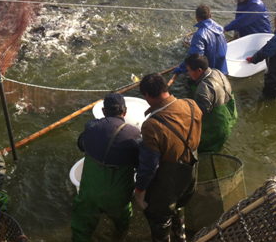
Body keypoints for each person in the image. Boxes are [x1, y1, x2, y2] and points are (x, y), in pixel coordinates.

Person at [135, 74, 202, 242]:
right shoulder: (191, 105)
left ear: (148, 95)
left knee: (158, 217)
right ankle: (181, 237)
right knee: (179, 205)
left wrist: (140, 192)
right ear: (166, 88)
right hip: (191, 175)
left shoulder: (152, 125)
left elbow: (149, 166)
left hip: (168, 184)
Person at [71, 93, 141, 241]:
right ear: (125, 111)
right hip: (119, 194)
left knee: (81, 227)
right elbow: (140, 164)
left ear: (103, 111)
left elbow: (81, 146)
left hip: (91, 192)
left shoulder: (90, 127)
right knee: (122, 221)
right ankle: (119, 237)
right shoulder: (134, 134)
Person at [184, 53, 237, 153]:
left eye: (189, 70)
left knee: (204, 148)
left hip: (217, 127)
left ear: (199, 70)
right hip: (231, 115)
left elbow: (199, 114)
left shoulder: (204, 88)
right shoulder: (216, 71)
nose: (188, 73)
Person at [174, 4, 228, 77]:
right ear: (210, 16)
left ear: (197, 18)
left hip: (208, 74)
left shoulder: (200, 35)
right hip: (221, 71)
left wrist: (182, 67)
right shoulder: (220, 29)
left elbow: (195, 57)